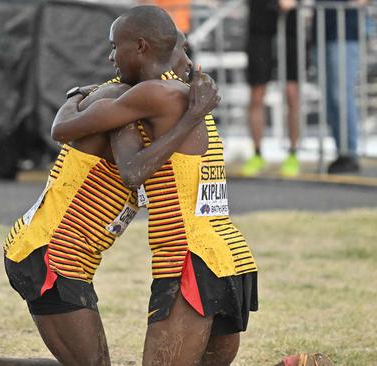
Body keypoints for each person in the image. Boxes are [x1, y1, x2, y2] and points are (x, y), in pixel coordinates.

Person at [0, 29, 220, 366]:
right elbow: (112, 159)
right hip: (51, 255)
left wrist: (75, 96)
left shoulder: (142, 104)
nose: (189, 62)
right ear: (154, 49)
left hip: (60, 253)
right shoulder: (123, 101)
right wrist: (192, 116)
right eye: (183, 50)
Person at [52, 6, 258, 365]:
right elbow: (177, 45)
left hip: (185, 259)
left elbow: (72, 137)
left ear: (142, 46)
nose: (111, 56)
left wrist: (78, 95)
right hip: (228, 256)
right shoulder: (193, 89)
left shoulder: (156, 95)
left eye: (116, 47)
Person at [242, 0, 301, 177]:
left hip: (290, 26)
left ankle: (293, 153)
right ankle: (257, 153)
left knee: (292, 93)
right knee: (257, 94)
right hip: (260, 25)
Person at [317, 0, 367, 174]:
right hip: (322, 30)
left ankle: (349, 152)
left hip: (345, 31)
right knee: (331, 98)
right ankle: (342, 151)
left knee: (341, 95)